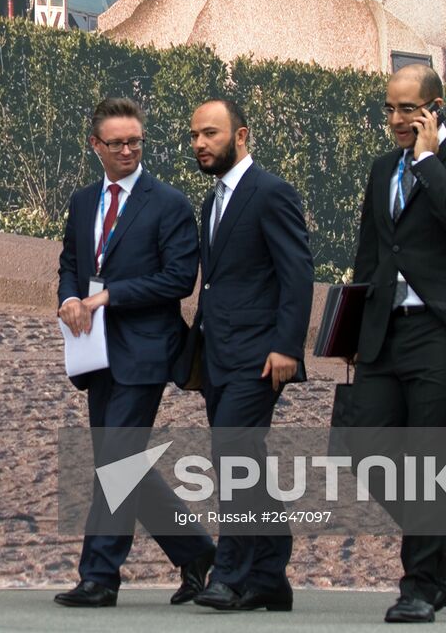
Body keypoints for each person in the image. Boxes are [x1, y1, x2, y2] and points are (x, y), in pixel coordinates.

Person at [347, 64, 446, 623]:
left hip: (443, 334)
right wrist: (356, 333)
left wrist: (429, 161)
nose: (397, 120)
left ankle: (418, 585)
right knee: (364, 451)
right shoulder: (382, 167)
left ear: (436, 108)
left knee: (428, 463)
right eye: (390, 108)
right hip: (385, 332)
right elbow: (371, 254)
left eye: (409, 109)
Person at [54, 97, 215, 608]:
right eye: (118, 143)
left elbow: (178, 280)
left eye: (136, 141)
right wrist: (70, 298)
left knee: (118, 459)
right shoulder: (82, 202)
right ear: (95, 145)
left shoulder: (168, 203)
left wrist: (109, 296)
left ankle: (99, 577)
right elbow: (71, 262)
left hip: (146, 348)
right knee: (115, 461)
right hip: (92, 349)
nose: (128, 150)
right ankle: (195, 551)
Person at [183, 99, 314, 612]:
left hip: (260, 356)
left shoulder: (271, 192)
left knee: (234, 458)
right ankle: (270, 573)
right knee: (245, 462)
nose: (199, 143)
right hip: (219, 355)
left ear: (241, 135)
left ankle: (231, 574)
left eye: (210, 133)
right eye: (195, 135)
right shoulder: (209, 202)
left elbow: (297, 274)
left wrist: (287, 346)